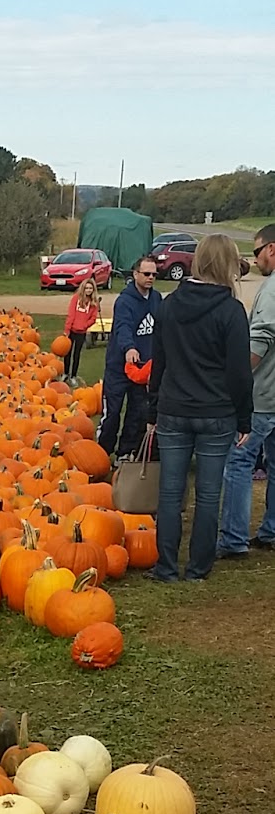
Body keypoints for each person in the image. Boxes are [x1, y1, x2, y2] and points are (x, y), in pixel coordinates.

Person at [147, 234, 253, 583]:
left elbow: (158, 361)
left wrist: (152, 409)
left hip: (173, 408)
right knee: (209, 494)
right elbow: (239, 372)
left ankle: (165, 566)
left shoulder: (169, 305)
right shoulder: (231, 311)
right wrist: (244, 417)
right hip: (217, 412)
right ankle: (198, 568)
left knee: (170, 490)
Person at [217, 223, 275, 556]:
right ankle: (271, 530)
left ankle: (234, 539)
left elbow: (262, 338)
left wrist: (237, 380)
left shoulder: (270, 289)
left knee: (238, 463)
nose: (254, 261)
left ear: (272, 249)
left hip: (263, 396)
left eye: (256, 253)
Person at [97, 255, 161, 457]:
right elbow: (122, 327)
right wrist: (129, 348)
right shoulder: (124, 301)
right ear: (135, 274)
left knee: (138, 412)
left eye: (154, 274)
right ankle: (102, 452)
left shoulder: (157, 299)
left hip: (143, 368)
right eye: (146, 274)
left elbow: (161, 327)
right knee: (113, 412)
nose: (150, 278)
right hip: (120, 366)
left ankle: (126, 451)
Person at [63, 278, 100, 380]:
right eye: (87, 288)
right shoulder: (76, 298)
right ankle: (65, 373)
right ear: (83, 288)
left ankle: (73, 376)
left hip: (81, 332)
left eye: (90, 288)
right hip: (71, 330)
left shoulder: (94, 303)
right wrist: (67, 329)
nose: (88, 290)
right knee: (67, 353)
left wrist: (84, 325)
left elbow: (93, 319)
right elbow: (71, 314)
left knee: (77, 354)